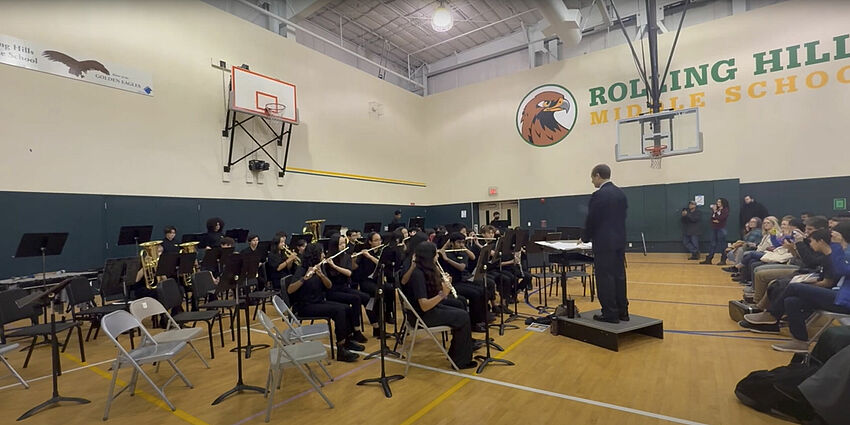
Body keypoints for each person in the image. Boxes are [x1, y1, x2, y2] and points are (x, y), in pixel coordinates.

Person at [743, 229, 850, 352]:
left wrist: (835, 246)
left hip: (843, 300)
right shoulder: (843, 253)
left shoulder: (843, 253)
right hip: (838, 295)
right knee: (791, 301)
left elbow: (841, 270)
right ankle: (799, 342)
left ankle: (772, 314)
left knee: (795, 287)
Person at [403, 241, 477, 369]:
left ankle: (456, 353)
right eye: (435, 254)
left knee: (460, 309)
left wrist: (443, 282)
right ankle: (461, 361)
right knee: (463, 317)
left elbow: (431, 293)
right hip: (422, 317)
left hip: (426, 312)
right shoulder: (418, 275)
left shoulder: (423, 270)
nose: (437, 257)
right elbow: (424, 305)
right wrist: (443, 293)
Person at [287, 243, 362, 362]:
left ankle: (347, 340)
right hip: (305, 306)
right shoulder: (302, 269)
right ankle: (341, 349)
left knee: (347, 308)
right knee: (339, 311)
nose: (323, 254)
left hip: (319, 301)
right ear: (315, 254)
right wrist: (304, 278)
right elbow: (290, 289)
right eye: (321, 252)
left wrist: (321, 275)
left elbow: (329, 285)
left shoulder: (320, 267)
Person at [581, 164, 629, 323]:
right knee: (619, 276)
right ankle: (623, 311)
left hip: (604, 243)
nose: (592, 181)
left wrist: (585, 237)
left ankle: (610, 313)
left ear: (598, 175)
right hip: (619, 241)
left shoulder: (599, 195)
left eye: (592, 178)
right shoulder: (621, 193)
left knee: (605, 278)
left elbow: (592, 219)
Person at [324, 234, 371, 341]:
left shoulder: (346, 256)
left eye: (344, 243)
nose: (343, 245)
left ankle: (369, 326)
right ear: (334, 245)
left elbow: (349, 273)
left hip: (344, 287)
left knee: (365, 297)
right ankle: (356, 331)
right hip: (332, 291)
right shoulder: (329, 259)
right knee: (355, 299)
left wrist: (335, 266)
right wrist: (329, 264)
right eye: (340, 244)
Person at [701, 198, 730, 265]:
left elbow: (721, 218)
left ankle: (723, 260)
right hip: (714, 228)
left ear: (723, 203)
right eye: (717, 202)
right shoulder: (717, 210)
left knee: (722, 245)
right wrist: (715, 214)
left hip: (721, 228)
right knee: (712, 244)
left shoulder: (725, 210)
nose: (717, 203)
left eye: (719, 202)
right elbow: (712, 218)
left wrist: (716, 216)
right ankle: (709, 259)